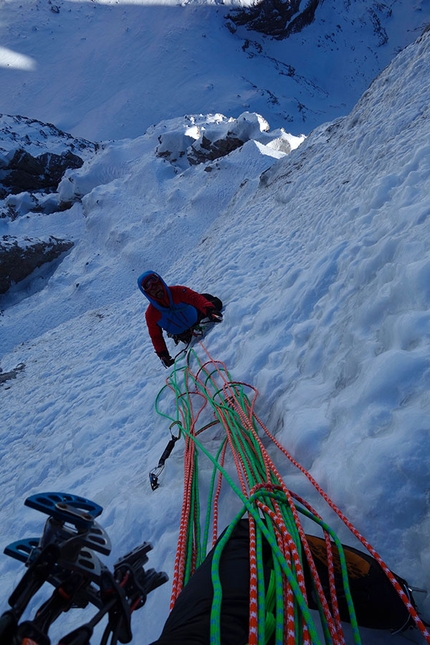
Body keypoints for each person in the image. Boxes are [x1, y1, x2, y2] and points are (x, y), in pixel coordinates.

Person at [137, 271, 223, 368]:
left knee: (213, 302)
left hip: (197, 316)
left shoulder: (177, 291)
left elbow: (195, 298)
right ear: (147, 294)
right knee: (210, 300)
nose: (157, 290)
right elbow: (156, 336)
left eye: (157, 286)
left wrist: (209, 310)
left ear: (161, 282)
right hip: (183, 334)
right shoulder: (151, 314)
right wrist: (163, 355)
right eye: (152, 290)